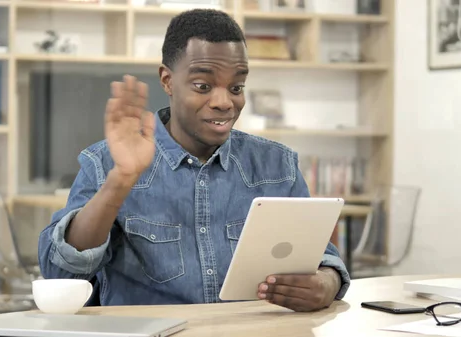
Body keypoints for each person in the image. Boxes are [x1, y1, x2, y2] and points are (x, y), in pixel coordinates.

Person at [37, 8, 350, 312]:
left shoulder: (278, 166)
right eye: (203, 86)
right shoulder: (104, 162)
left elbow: (322, 259)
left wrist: (326, 283)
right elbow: (60, 274)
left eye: (236, 87)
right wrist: (120, 180)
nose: (224, 102)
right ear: (168, 81)